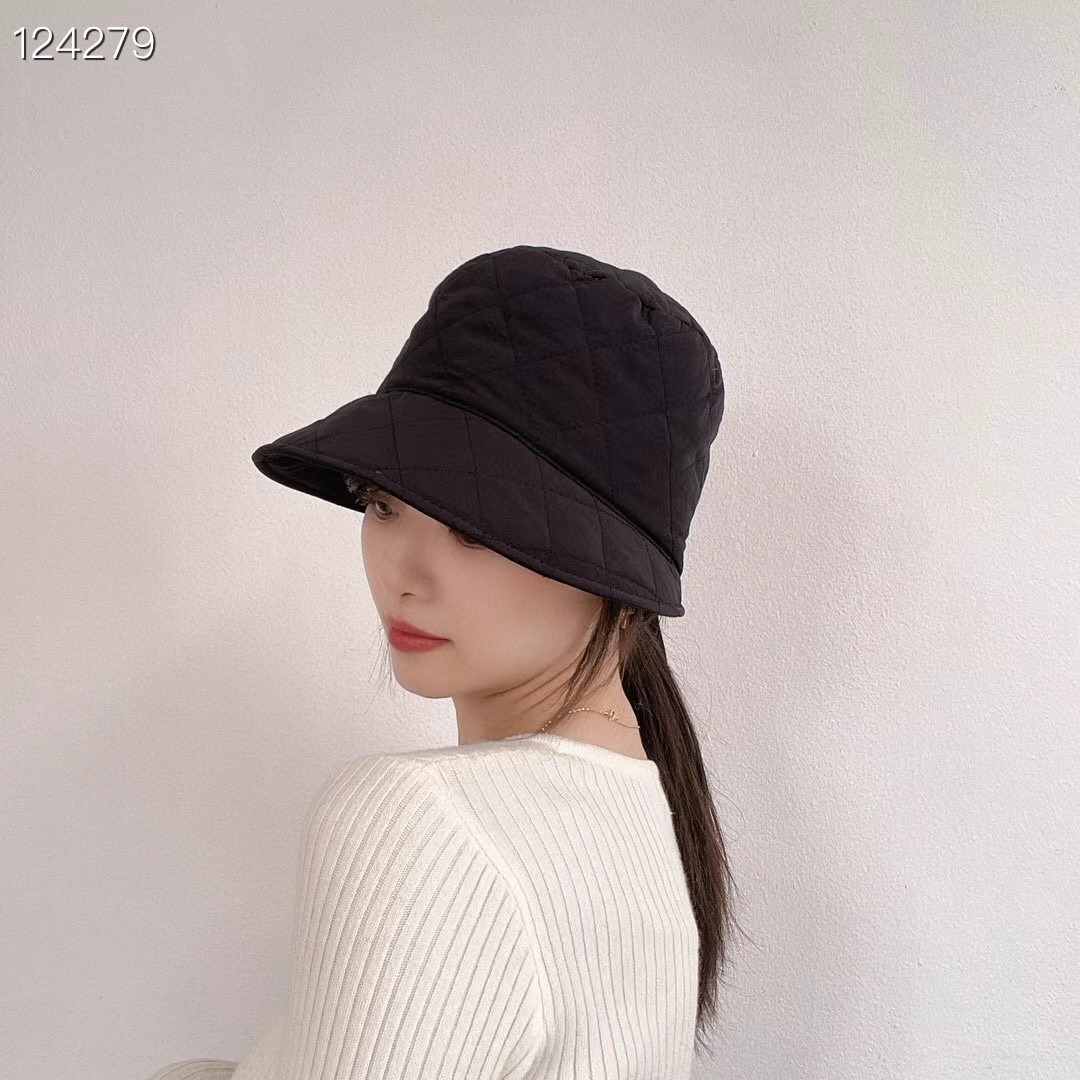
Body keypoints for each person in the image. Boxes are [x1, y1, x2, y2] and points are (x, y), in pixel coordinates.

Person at [146, 245, 739, 1079]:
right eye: (384, 504)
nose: (406, 573)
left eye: (474, 527)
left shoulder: (422, 820)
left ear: (613, 575)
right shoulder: (642, 826)